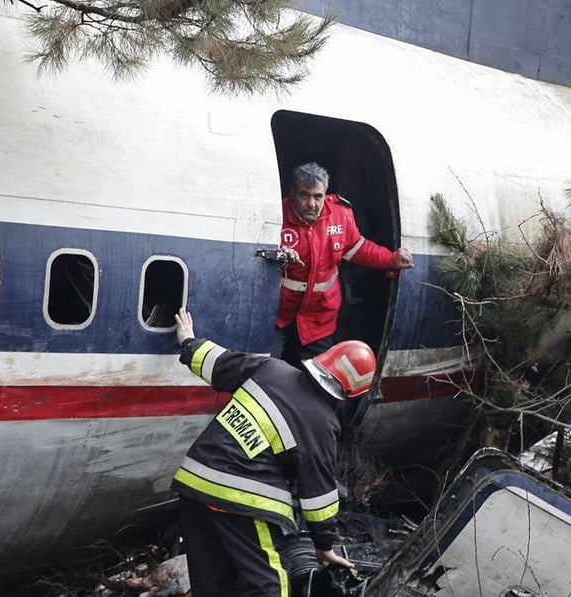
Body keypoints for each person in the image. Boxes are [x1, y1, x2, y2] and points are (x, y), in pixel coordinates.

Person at [170, 307, 374, 597]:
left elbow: (217, 362)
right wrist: (324, 546)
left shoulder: (271, 368)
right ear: (351, 393)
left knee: (211, 584)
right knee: (269, 585)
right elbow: (318, 497)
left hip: (194, 483)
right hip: (243, 498)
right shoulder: (323, 423)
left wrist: (188, 341)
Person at [274, 162, 414, 367]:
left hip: (318, 319)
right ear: (292, 194)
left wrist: (390, 259)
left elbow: (359, 249)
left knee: (316, 383)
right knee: (265, 374)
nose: (312, 203)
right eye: (305, 195)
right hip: (278, 316)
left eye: (317, 196)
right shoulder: (275, 214)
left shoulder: (340, 215)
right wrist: (279, 254)